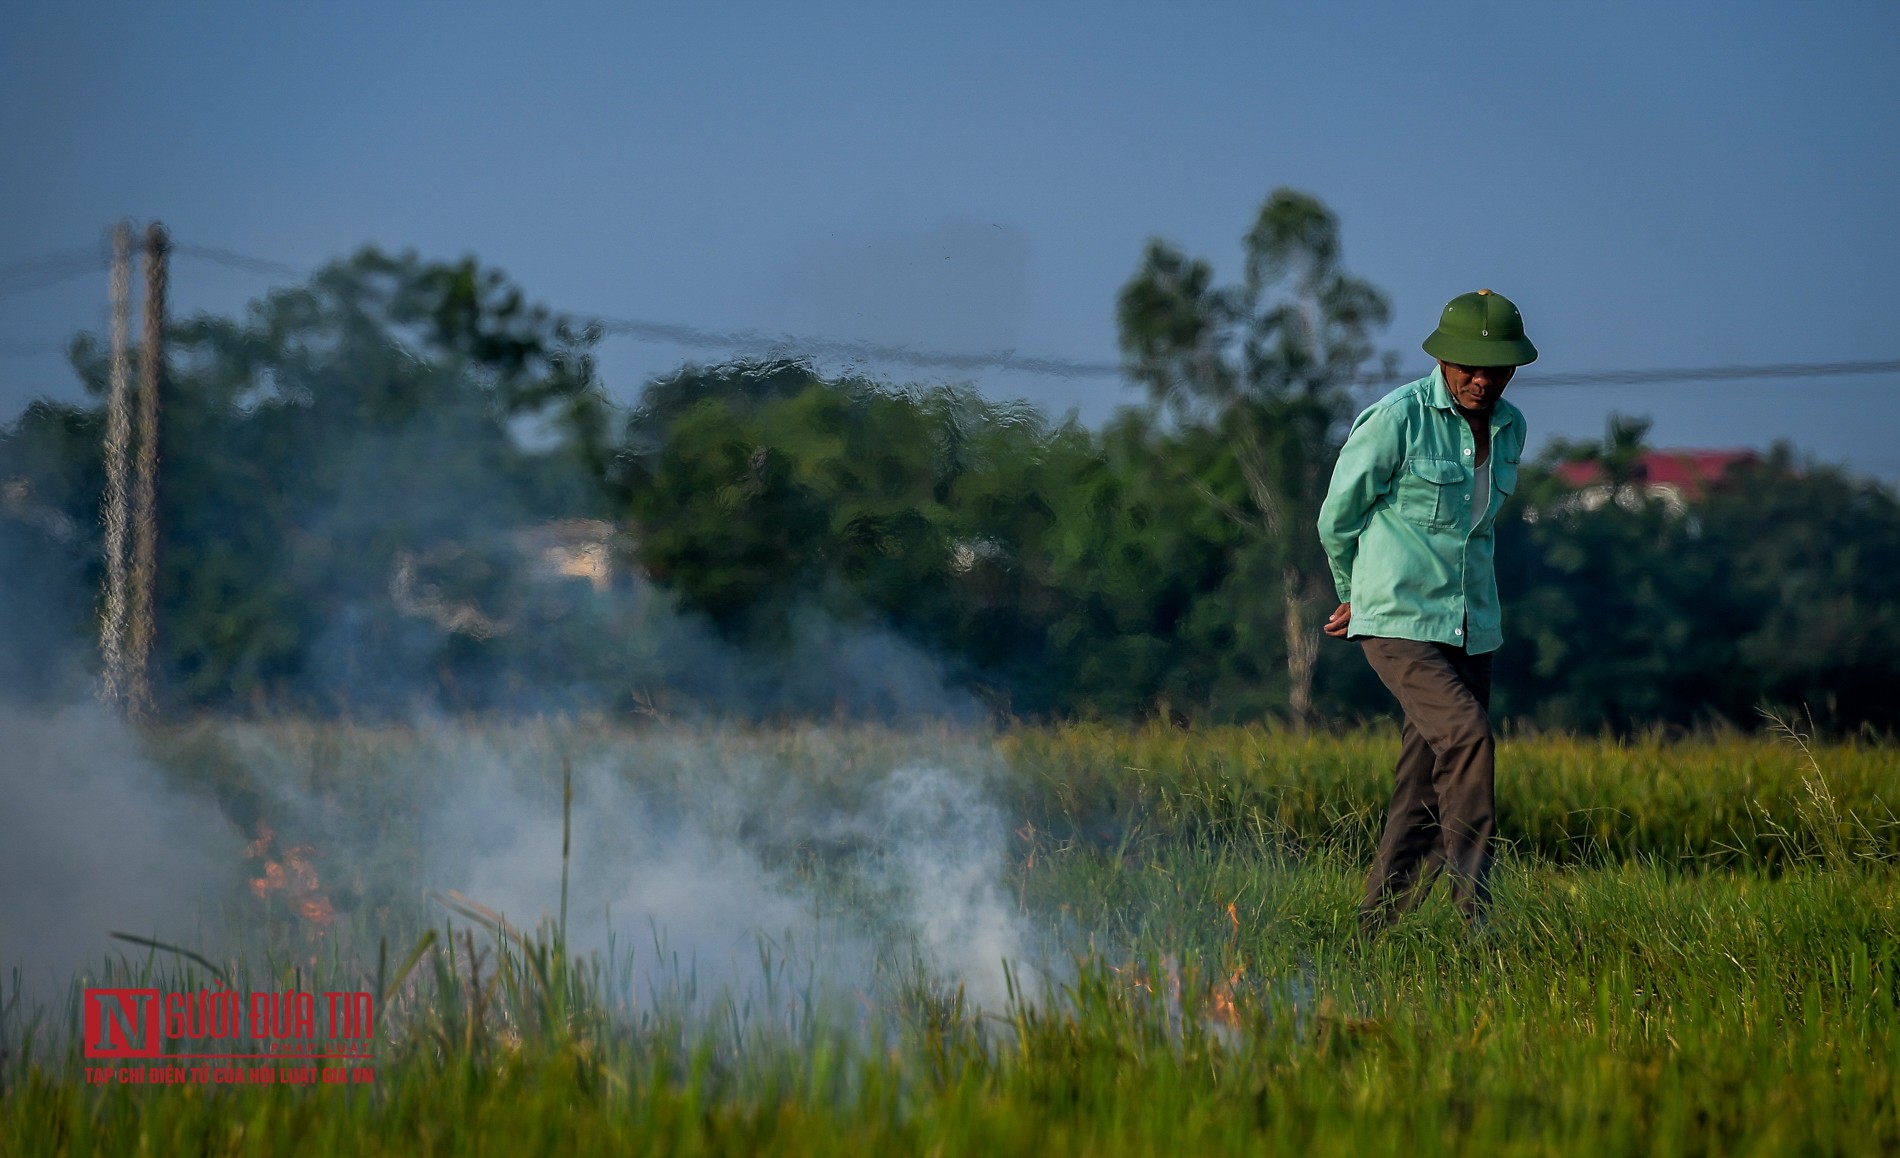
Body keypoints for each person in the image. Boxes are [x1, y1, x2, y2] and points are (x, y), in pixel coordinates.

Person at [1315, 288, 1537, 933]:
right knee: (1468, 739)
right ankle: (1476, 916)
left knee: (1423, 784)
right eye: (1467, 365)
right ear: (1442, 361)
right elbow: (1338, 519)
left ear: (1514, 368)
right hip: (1395, 620)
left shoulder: (1511, 426)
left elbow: (1479, 530)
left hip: (1471, 625)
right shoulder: (1396, 418)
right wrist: (1351, 593)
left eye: (1494, 367)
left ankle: (1372, 931)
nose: (1480, 378)